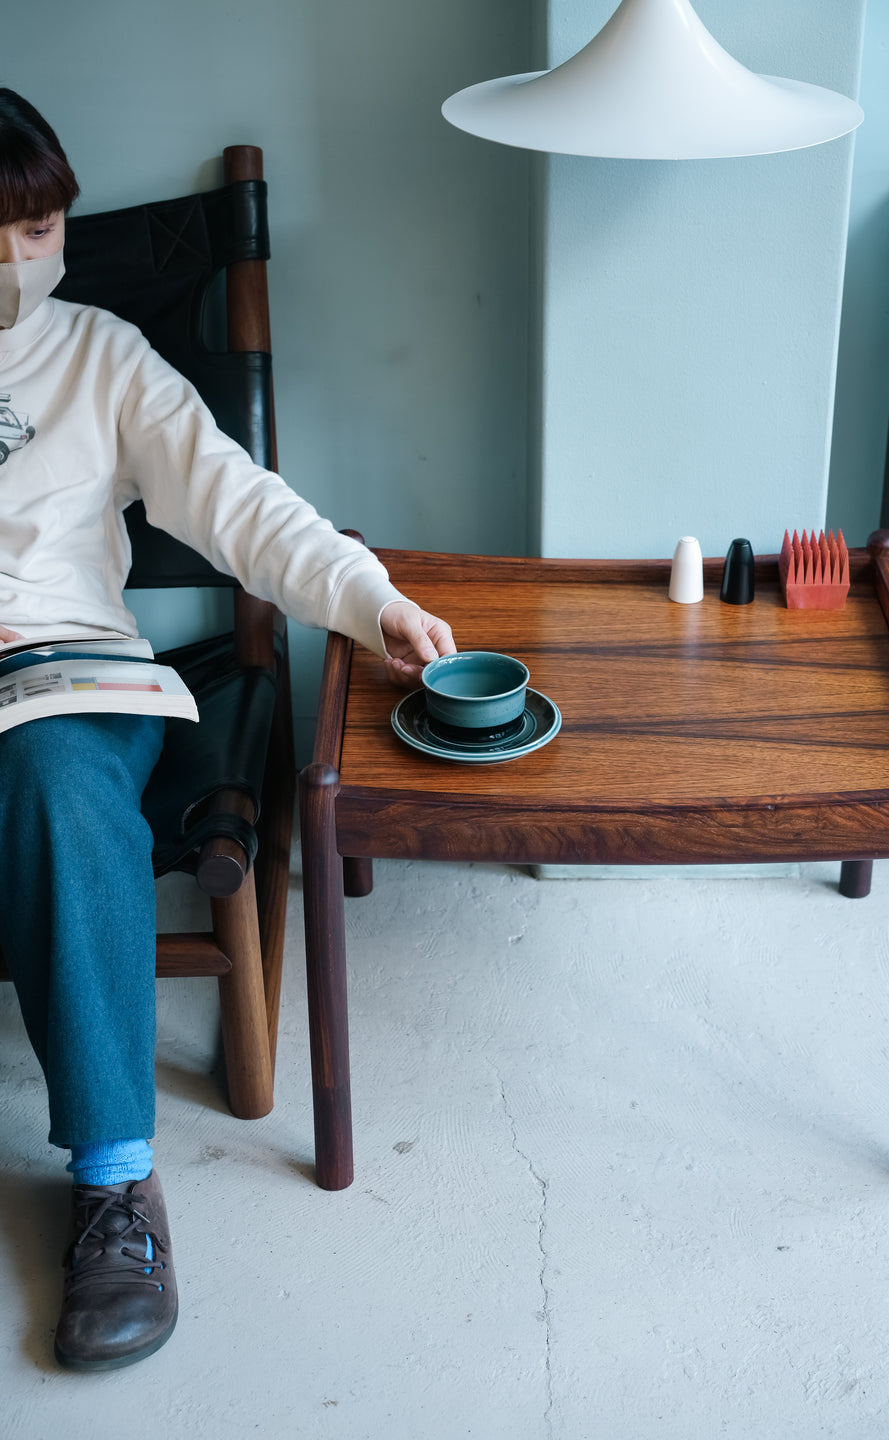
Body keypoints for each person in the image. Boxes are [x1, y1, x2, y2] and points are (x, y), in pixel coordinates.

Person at [0, 89, 456, 1371]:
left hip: (69, 686)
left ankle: (114, 1185)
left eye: (36, 230)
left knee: (49, 784)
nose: (14, 263)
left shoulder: (101, 356)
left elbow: (240, 506)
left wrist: (373, 606)